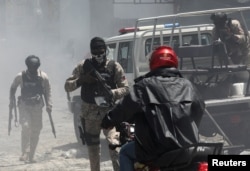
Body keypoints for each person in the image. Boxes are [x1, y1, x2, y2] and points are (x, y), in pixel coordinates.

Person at [101, 46, 206, 171]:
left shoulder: (144, 86)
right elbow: (199, 110)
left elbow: (123, 109)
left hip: (156, 150)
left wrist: (107, 120)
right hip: (188, 148)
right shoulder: (188, 85)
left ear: (153, 62)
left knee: (124, 152)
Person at [64, 36, 129, 171]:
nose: (98, 53)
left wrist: (112, 93)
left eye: (101, 50)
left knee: (115, 147)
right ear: (91, 51)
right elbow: (67, 86)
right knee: (93, 152)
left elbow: (126, 88)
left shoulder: (114, 66)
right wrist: (82, 80)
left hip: (110, 114)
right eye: (95, 50)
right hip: (90, 115)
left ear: (105, 50)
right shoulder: (83, 66)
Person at [9, 55, 52, 163]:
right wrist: (11, 102)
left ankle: (31, 155)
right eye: (31, 68)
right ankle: (25, 152)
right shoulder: (21, 76)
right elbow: (13, 88)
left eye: (35, 68)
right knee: (26, 126)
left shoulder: (43, 76)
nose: (33, 70)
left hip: (37, 106)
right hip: (24, 105)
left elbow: (48, 91)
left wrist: (49, 104)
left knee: (36, 130)